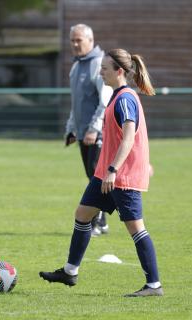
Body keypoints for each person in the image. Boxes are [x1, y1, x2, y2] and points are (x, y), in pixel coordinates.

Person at [40, 48, 162, 297]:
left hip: (120, 176)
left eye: (104, 68)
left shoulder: (126, 98)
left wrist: (113, 170)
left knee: (136, 228)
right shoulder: (116, 95)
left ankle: (154, 285)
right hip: (105, 175)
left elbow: (129, 138)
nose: (100, 72)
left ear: (119, 71)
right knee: (83, 214)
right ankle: (70, 271)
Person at [65, 24, 113, 236]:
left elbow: (105, 101)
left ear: (91, 41)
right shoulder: (76, 66)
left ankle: (98, 221)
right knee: (92, 176)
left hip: (98, 134)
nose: (75, 44)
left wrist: (95, 129)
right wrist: (72, 129)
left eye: (79, 40)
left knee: (97, 177)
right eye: (73, 40)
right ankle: (100, 220)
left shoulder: (97, 65)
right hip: (84, 135)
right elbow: (76, 103)